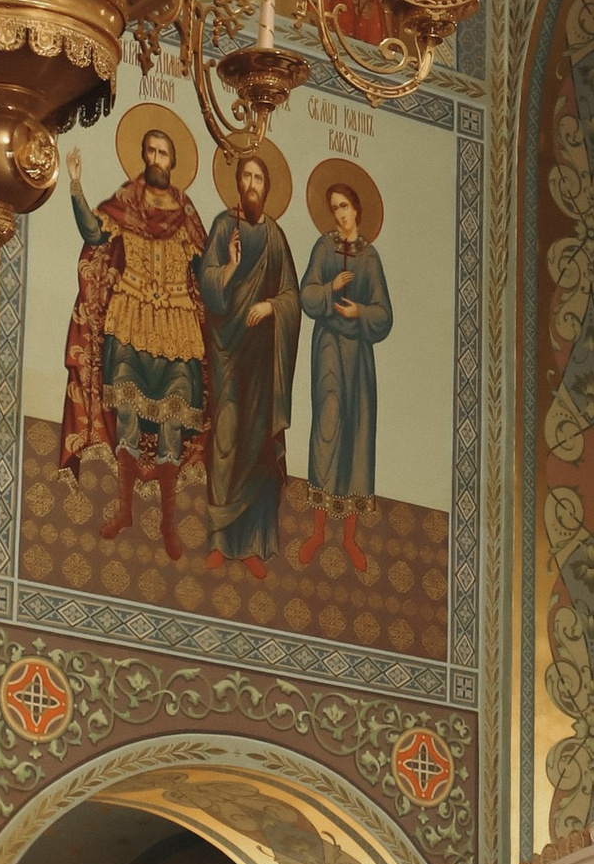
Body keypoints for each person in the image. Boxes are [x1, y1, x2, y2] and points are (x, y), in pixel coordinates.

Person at [60, 120, 211, 559]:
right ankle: (124, 510)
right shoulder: (126, 201)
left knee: (172, 421)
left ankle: (168, 523)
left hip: (178, 325)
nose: (156, 160)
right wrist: (75, 186)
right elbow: (94, 233)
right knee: (126, 409)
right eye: (151, 151)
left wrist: (232, 266)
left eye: (163, 153)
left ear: (173, 161)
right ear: (143, 157)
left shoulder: (187, 214)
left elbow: (205, 271)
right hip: (130, 317)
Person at [196, 148, 300, 576]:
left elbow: (292, 295)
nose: (252, 185)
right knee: (226, 440)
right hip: (228, 351)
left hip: (263, 359)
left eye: (259, 179)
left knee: (258, 447)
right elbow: (206, 283)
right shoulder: (224, 227)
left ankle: (255, 545)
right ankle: (221, 540)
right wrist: (230, 267)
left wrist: (271, 306)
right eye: (247, 177)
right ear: (238, 183)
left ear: (266, 187)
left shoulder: (275, 236)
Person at [294, 174, 391, 571]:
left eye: (345, 206)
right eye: (334, 208)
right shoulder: (324, 247)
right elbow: (307, 294)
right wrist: (332, 287)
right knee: (328, 425)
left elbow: (384, 315)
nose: (340, 214)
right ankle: (318, 531)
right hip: (329, 348)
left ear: (357, 210)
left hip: (359, 356)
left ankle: (349, 537)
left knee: (357, 433)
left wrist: (360, 312)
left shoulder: (370, 257)